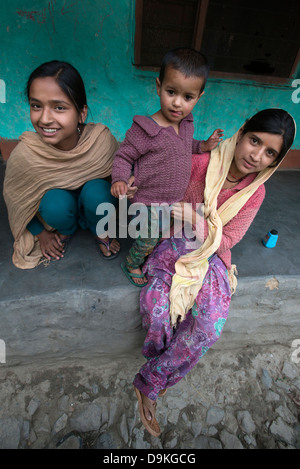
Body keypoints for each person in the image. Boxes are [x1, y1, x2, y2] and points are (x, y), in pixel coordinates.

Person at [132, 108, 296, 437]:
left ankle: (150, 382)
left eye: (269, 153)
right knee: (157, 310)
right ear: (242, 131)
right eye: (254, 140)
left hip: (213, 254)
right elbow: (160, 199)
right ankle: (160, 368)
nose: (256, 155)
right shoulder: (201, 163)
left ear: (276, 161)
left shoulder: (256, 191)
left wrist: (198, 222)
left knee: (209, 325)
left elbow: (230, 238)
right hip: (171, 241)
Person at [110, 48, 223, 286]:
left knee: (162, 233)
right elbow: (123, 157)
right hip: (149, 199)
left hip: (174, 199)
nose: (177, 103)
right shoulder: (145, 130)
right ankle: (131, 263)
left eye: (187, 97)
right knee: (148, 238)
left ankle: (146, 251)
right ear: (158, 86)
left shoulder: (186, 124)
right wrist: (119, 179)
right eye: (171, 92)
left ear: (199, 97)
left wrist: (203, 145)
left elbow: (184, 146)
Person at [3, 60, 122, 269]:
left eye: (59, 107)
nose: (45, 118)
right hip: (59, 213)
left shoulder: (99, 140)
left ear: (81, 113)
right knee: (53, 204)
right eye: (36, 106)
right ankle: (65, 230)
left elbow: (119, 179)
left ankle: (98, 230)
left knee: (99, 193)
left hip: (93, 206)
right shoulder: (27, 154)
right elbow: (16, 199)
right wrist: (41, 233)